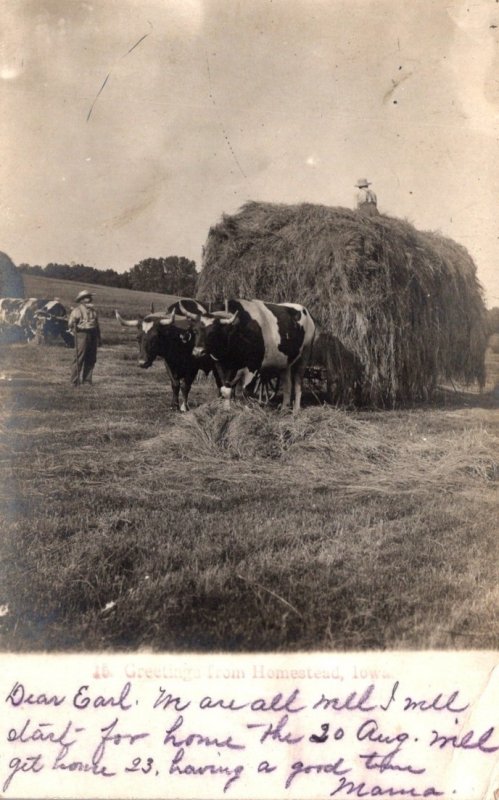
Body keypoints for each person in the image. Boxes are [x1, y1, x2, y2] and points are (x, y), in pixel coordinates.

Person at [68, 290, 102, 385]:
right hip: (82, 334)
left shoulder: (94, 311)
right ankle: (74, 381)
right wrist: (78, 327)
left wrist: (99, 338)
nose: (90, 299)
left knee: (91, 358)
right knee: (79, 357)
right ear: (82, 300)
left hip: (93, 334)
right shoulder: (77, 311)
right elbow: (70, 324)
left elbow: (97, 325)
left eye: (90, 297)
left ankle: (87, 380)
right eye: (87, 297)